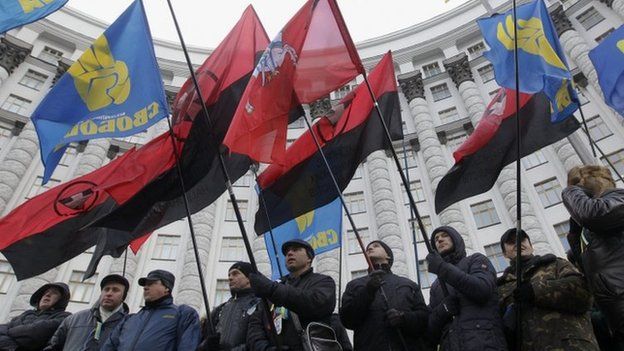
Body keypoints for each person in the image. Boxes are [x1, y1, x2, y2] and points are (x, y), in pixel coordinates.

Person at [497, 228, 599, 350]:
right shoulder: (501, 287)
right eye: (511, 242)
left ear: (531, 245)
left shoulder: (556, 264)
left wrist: (536, 291)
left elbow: (583, 293)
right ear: (504, 254)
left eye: (522, 239)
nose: (518, 244)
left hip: (571, 345)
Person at [562, 165, 624, 345]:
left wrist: (570, 190)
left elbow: (592, 215)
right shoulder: (587, 228)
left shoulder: (618, 198)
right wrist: (575, 236)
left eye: (578, 189)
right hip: (615, 312)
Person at [426, 226, 506, 350]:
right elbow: (431, 331)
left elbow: (483, 290)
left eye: (444, 235)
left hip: (484, 344)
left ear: (456, 239)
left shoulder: (476, 260)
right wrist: (443, 310)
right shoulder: (436, 285)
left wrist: (441, 268)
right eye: (436, 239)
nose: (439, 240)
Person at [246, 239, 336, 351]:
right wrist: (264, 348)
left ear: (309, 258)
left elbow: (316, 304)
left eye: (296, 250)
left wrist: (273, 290)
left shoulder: (323, 281)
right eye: (287, 251)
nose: (289, 253)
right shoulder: (277, 285)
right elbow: (256, 323)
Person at [340, 240, 430, 350]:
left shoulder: (408, 284)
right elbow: (347, 319)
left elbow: (424, 319)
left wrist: (404, 318)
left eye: (376, 246)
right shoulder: (355, 285)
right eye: (368, 247)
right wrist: (368, 291)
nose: (370, 248)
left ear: (388, 256)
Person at [102, 269, 200, 350]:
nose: (145, 287)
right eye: (145, 284)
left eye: (151, 283)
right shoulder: (129, 319)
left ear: (166, 288)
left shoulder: (183, 314)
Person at [45, 274, 130, 351]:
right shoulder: (73, 319)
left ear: (123, 296)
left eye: (115, 290)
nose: (109, 293)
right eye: (106, 289)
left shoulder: (129, 325)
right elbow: (53, 346)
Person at [198, 262, 259, 351]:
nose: (230, 278)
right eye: (229, 275)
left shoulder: (260, 304)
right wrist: (205, 346)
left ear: (249, 278)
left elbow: (259, 341)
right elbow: (204, 339)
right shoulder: (220, 309)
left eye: (235, 274)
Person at [0, 282, 71, 351]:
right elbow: (2, 330)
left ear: (61, 300)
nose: (48, 294)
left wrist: (9, 332)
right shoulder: (26, 314)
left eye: (54, 293)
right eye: (45, 293)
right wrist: (13, 348)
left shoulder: (64, 317)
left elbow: (35, 334)